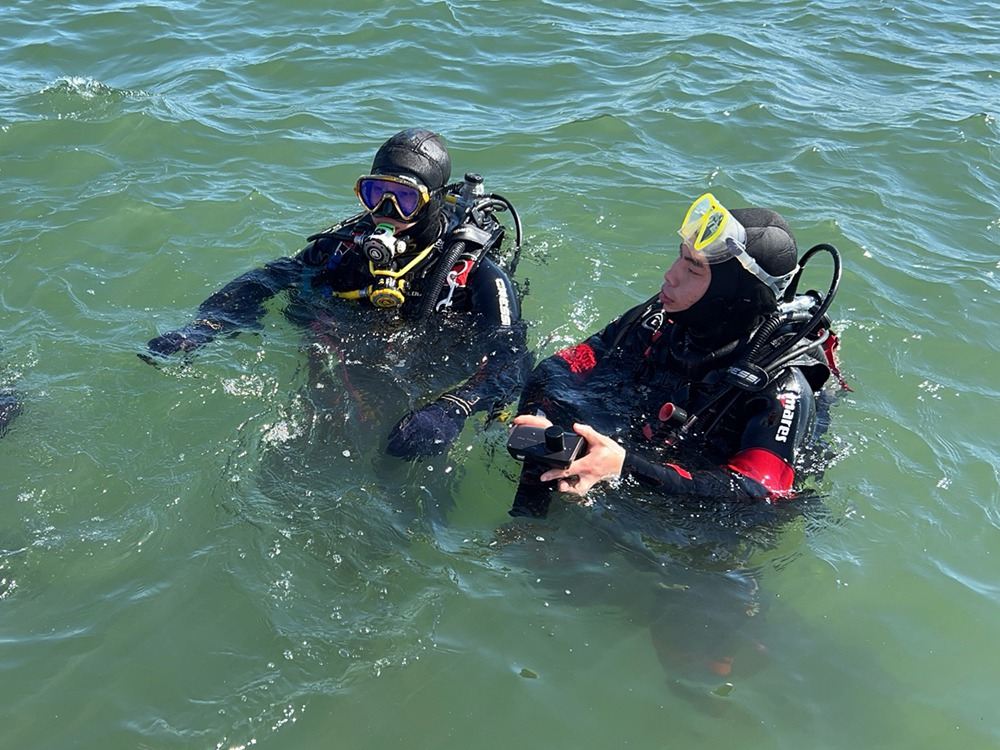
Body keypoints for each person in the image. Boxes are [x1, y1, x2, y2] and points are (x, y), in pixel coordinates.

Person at [143, 128, 528, 459]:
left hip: (435, 364)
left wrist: (453, 407)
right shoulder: (344, 248)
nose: (387, 210)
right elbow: (270, 278)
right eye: (376, 193)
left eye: (405, 198)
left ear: (433, 201)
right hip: (351, 359)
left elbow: (512, 359)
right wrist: (208, 325)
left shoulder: (478, 275)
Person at [509, 192, 847, 517]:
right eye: (680, 257)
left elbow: (761, 494)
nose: (670, 275)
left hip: (707, 518)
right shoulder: (655, 321)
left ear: (734, 293)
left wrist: (626, 467)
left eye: (694, 269)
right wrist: (544, 423)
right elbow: (560, 369)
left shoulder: (782, 386)